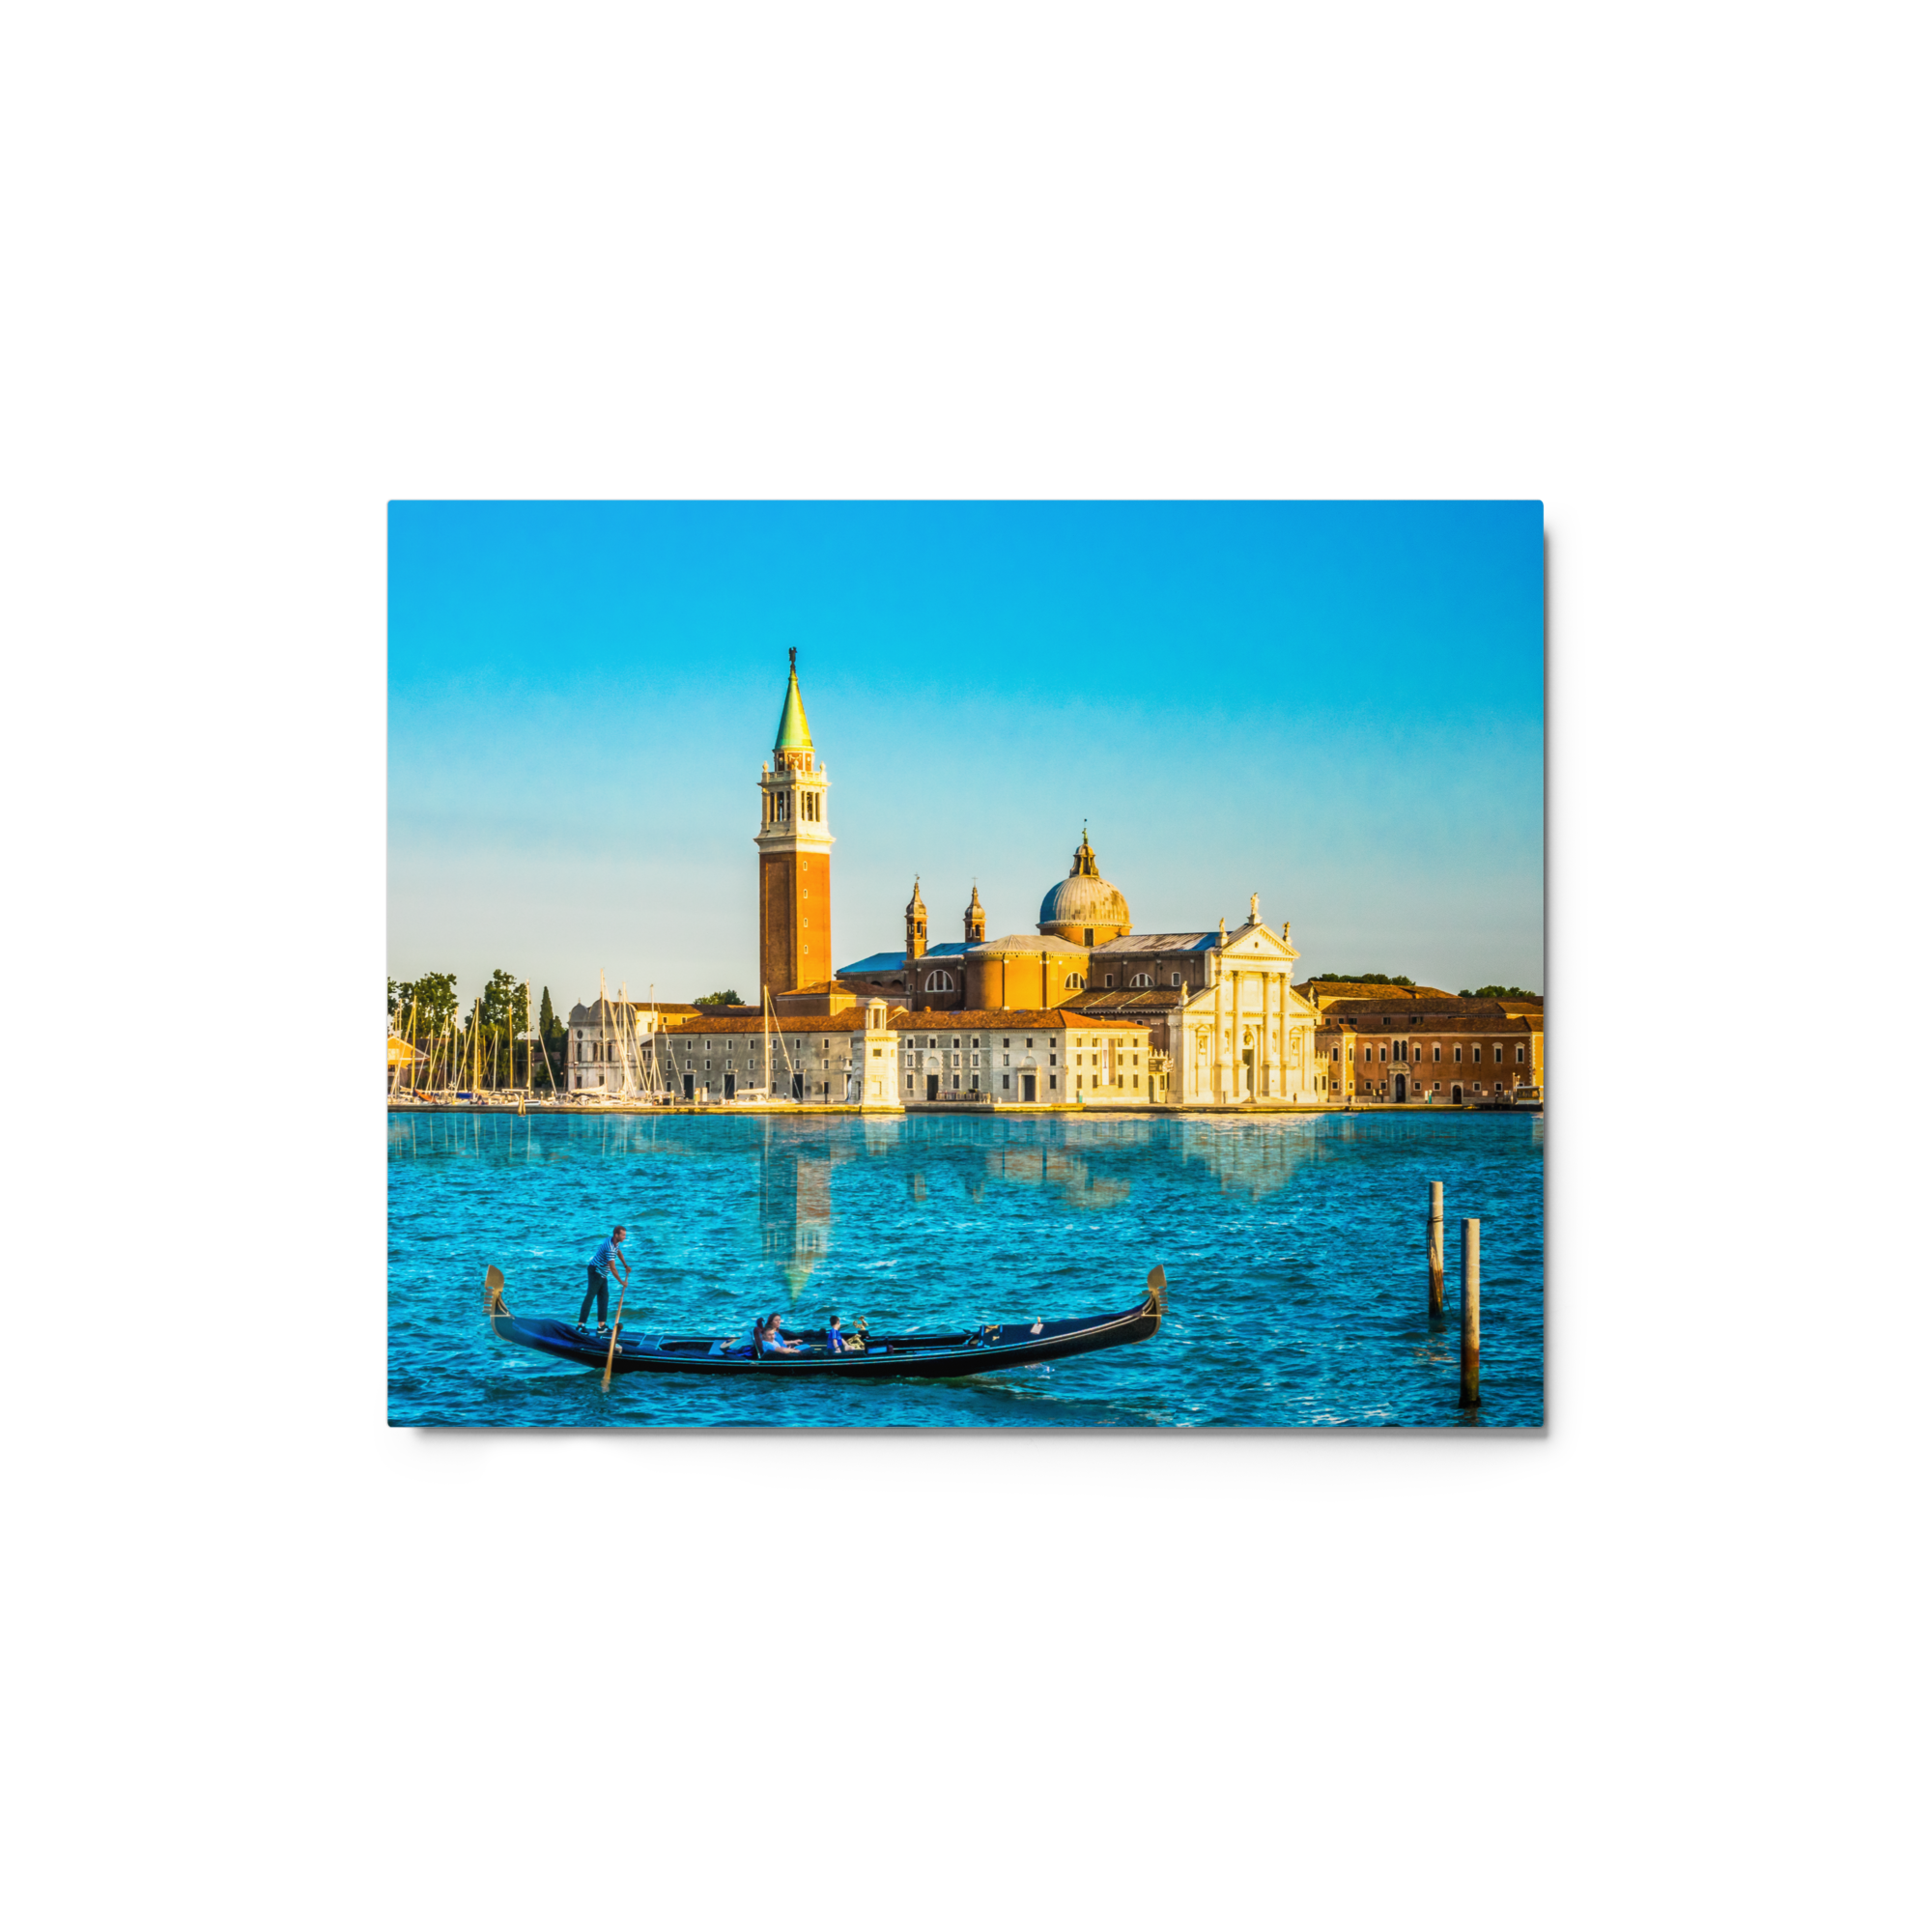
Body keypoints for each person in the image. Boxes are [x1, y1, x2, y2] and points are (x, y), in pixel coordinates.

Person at [580, 1226, 630, 1332]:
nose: (625, 1237)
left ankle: (601, 1326)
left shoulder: (615, 1242)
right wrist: (622, 1282)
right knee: (590, 1297)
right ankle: (581, 1325)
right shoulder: (610, 1247)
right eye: (623, 1235)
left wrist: (625, 1265)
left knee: (604, 1298)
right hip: (595, 1271)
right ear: (616, 1235)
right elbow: (613, 1268)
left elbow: (618, 1251)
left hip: (602, 1273)